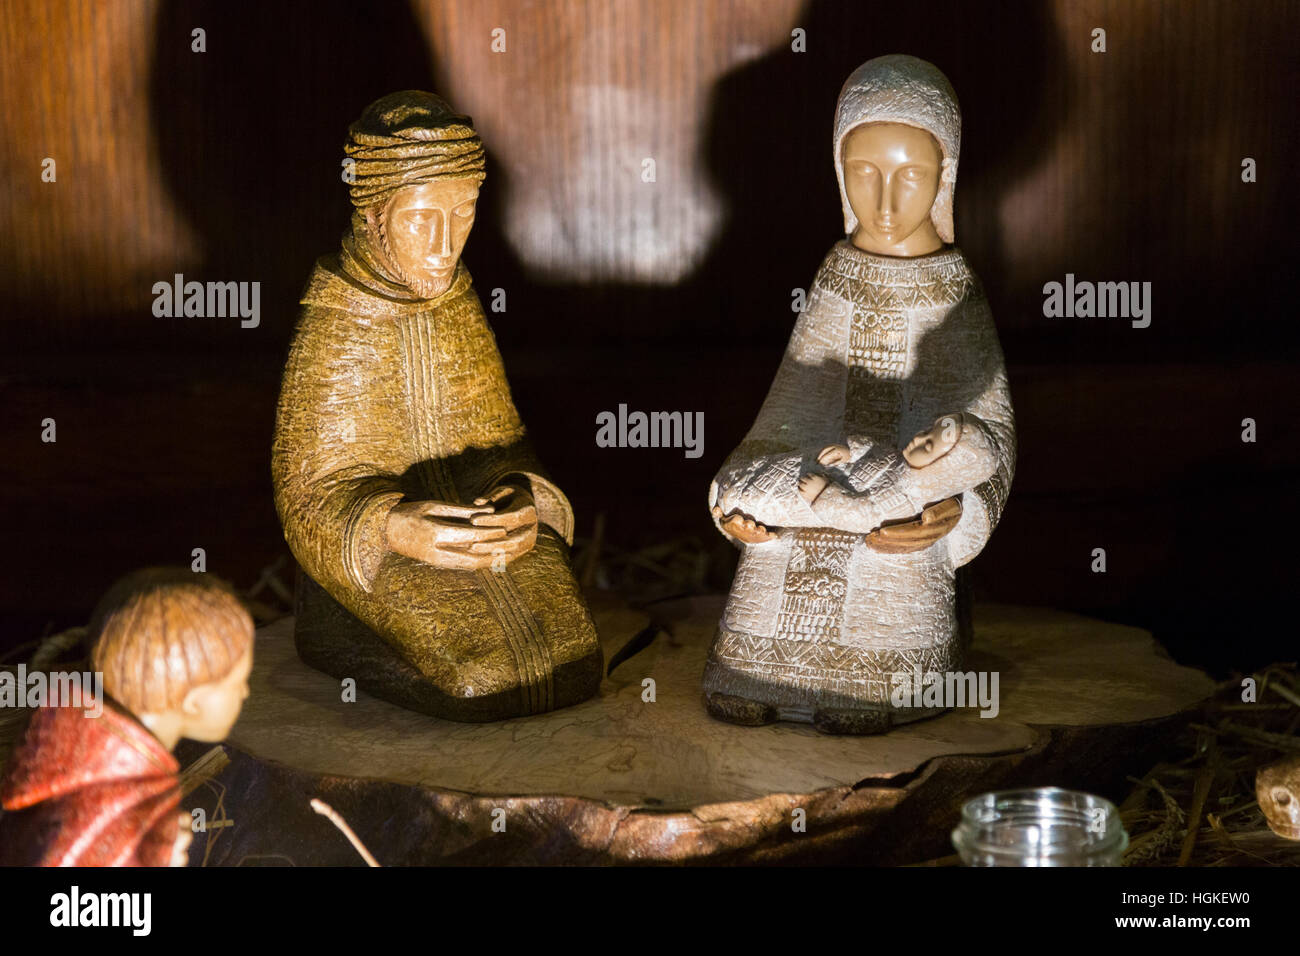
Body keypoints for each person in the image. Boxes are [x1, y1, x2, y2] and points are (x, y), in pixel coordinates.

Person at [705, 56, 1016, 734]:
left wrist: (952, 509)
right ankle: (754, 678)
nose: (884, 202)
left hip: (900, 500)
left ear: (945, 176)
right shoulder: (835, 280)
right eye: (864, 175)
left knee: (891, 549)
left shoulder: (954, 293)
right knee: (775, 534)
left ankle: (880, 689)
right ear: (839, 176)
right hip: (820, 476)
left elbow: (988, 428)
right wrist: (734, 502)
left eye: (909, 177)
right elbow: (784, 410)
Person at [272, 92, 601, 721]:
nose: (445, 244)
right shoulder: (338, 322)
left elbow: (500, 442)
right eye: (423, 218)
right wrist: (394, 526)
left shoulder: (456, 300)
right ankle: (335, 636)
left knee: (571, 651)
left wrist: (519, 496)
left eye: (465, 212)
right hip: (374, 556)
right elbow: (307, 495)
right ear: (374, 216)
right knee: (479, 674)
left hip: (472, 534)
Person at [0, 568, 253, 866]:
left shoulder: (106, 767)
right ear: (193, 701)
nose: (246, 693)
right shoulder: (121, 799)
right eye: (237, 683)